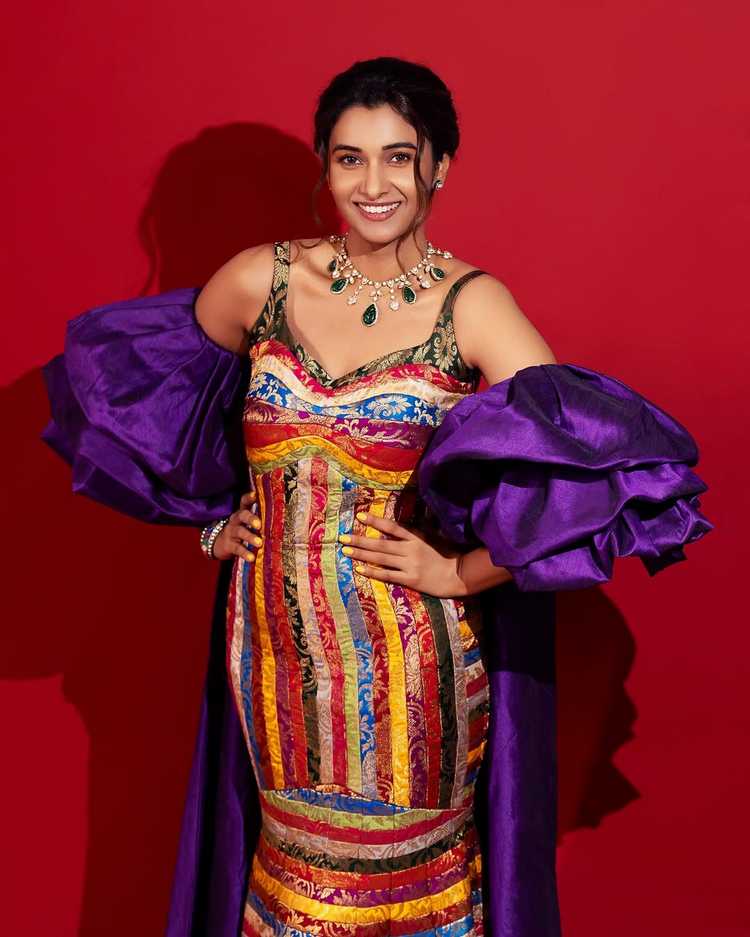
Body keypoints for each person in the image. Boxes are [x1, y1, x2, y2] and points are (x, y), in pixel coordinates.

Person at [41, 58, 712, 937]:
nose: (374, 184)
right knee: (289, 891)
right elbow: (144, 400)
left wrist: (462, 572)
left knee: (399, 897)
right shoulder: (260, 282)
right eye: (350, 158)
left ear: (441, 166)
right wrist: (211, 526)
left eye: (400, 156)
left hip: (411, 669)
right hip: (273, 665)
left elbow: (591, 470)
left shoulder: (472, 305)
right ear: (323, 166)